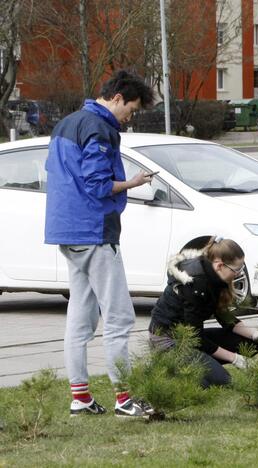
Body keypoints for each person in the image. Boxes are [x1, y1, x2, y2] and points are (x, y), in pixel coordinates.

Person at [45, 70, 156, 417]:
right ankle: (125, 400)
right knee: (120, 317)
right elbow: (97, 184)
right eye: (132, 109)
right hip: (94, 231)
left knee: (79, 319)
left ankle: (81, 397)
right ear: (118, 98)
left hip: (66, 231)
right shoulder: (99, 128)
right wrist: (133, 182)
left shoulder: (67, 123)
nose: (130, 117)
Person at [149, 237, 258, 387]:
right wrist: (235, 359)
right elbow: (196, 338)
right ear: (219, 265)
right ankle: (173, 367)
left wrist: (254, 334)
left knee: (250, 344)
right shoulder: (194, 283)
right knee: (221, 381)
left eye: (241, 268)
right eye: (236, 270)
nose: (238, 274)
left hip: (193, 338)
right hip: (171, 341)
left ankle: (202, 363)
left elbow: (225, 317)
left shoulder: (216, 278)